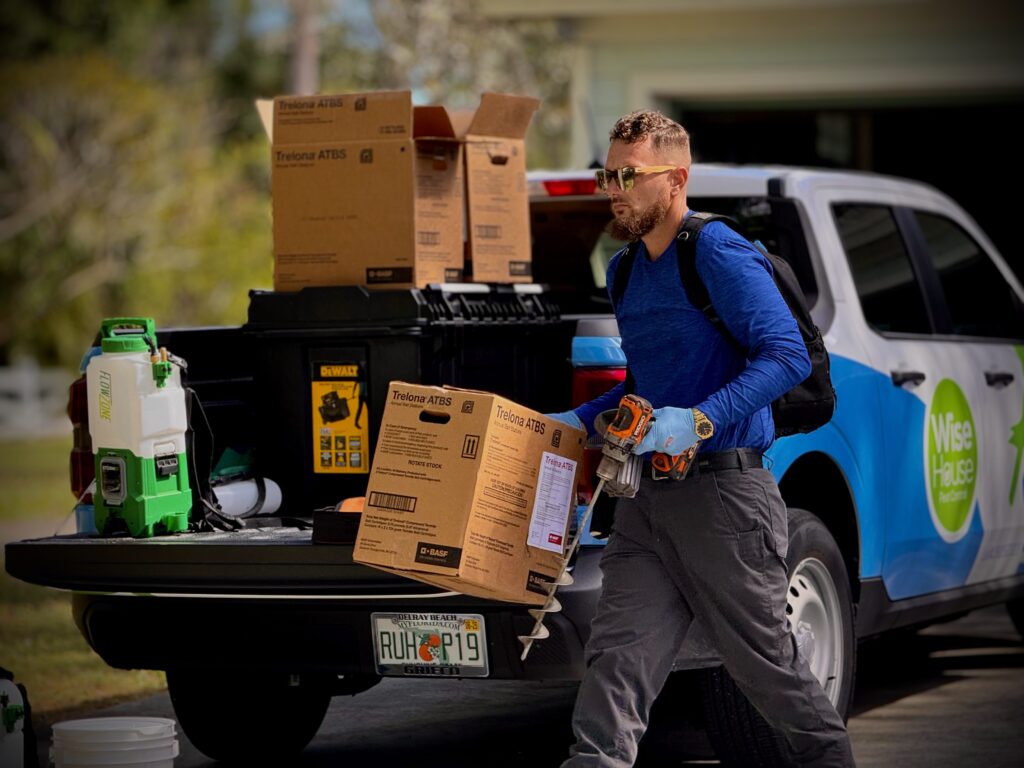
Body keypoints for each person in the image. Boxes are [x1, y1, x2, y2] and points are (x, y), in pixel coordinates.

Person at [548, 110, 855, 767]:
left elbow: (784, 356)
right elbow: (643, 390)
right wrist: (575, 424)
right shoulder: (625, 270)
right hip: (646, 505)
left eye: (629, 174)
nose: (614, 188)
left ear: (676, 178)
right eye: (608, 173)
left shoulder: (714, 250)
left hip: (725, 502)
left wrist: (703, 419)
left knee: (769, 673)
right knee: (614, 667)